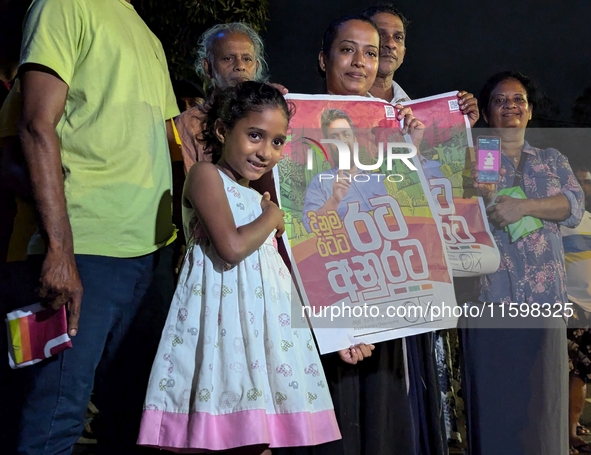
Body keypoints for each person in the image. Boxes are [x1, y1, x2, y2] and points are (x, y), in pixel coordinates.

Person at [138, 81, 341, 453]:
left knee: (260, 436)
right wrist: (271, 217)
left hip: (263, 332)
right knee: (222, 434)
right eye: (255, 135)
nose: (265, 151)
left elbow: (281, 275)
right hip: (222, 328)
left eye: (277, 142)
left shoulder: (255, 198)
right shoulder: (205, 176)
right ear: (221, 130)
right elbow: (230, 247)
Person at [14, 0, 180, 453]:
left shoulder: (145, 31)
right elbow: (34, 125)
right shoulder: (63, 4)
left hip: (154, 253)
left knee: (135, 416)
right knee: (54, 415)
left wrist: (250, 110)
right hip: (84, 250)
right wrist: (59, 251)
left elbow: (169, 135)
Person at [462, 71, 584, 455]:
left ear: (530, 111)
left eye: (518, 100)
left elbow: (573, 205)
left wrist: (524, 207)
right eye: (499, 101)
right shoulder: (478, 155)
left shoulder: (551, 159)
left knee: (544, 404)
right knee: (495, 402)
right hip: (492, 297)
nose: (510, 106)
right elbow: (465, 205)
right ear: (486, 112)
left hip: (546, 299)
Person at [176, 22, 279, 174]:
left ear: (256, 67)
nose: (240, 66)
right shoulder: (190, 123)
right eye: (228, 59)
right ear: (208, 67)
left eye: (247, 59)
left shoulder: (273, 115)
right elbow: (189, 184)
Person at [361, 4, 480, 128]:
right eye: (381, 34)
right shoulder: (342, 103)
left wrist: (462, 125)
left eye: (398, 37)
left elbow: (430, 147)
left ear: (404, 52)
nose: (391, 44)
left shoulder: (415, 112)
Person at [302, 108, 388, 231]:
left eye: (346, 134)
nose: (341, 141)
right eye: (334, 137)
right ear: (328, 145)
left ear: (355, 140)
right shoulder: (320, 182)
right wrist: (334, 200)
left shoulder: (378, 178)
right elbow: (309, 227)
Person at [562, 165, 591, 454]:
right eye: (578, 182)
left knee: (582, 376)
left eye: (587, 182)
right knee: (568, 373)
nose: (583, 187)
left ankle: (573, 432)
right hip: (570, 308)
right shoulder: (556, 221)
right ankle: (566, 435)